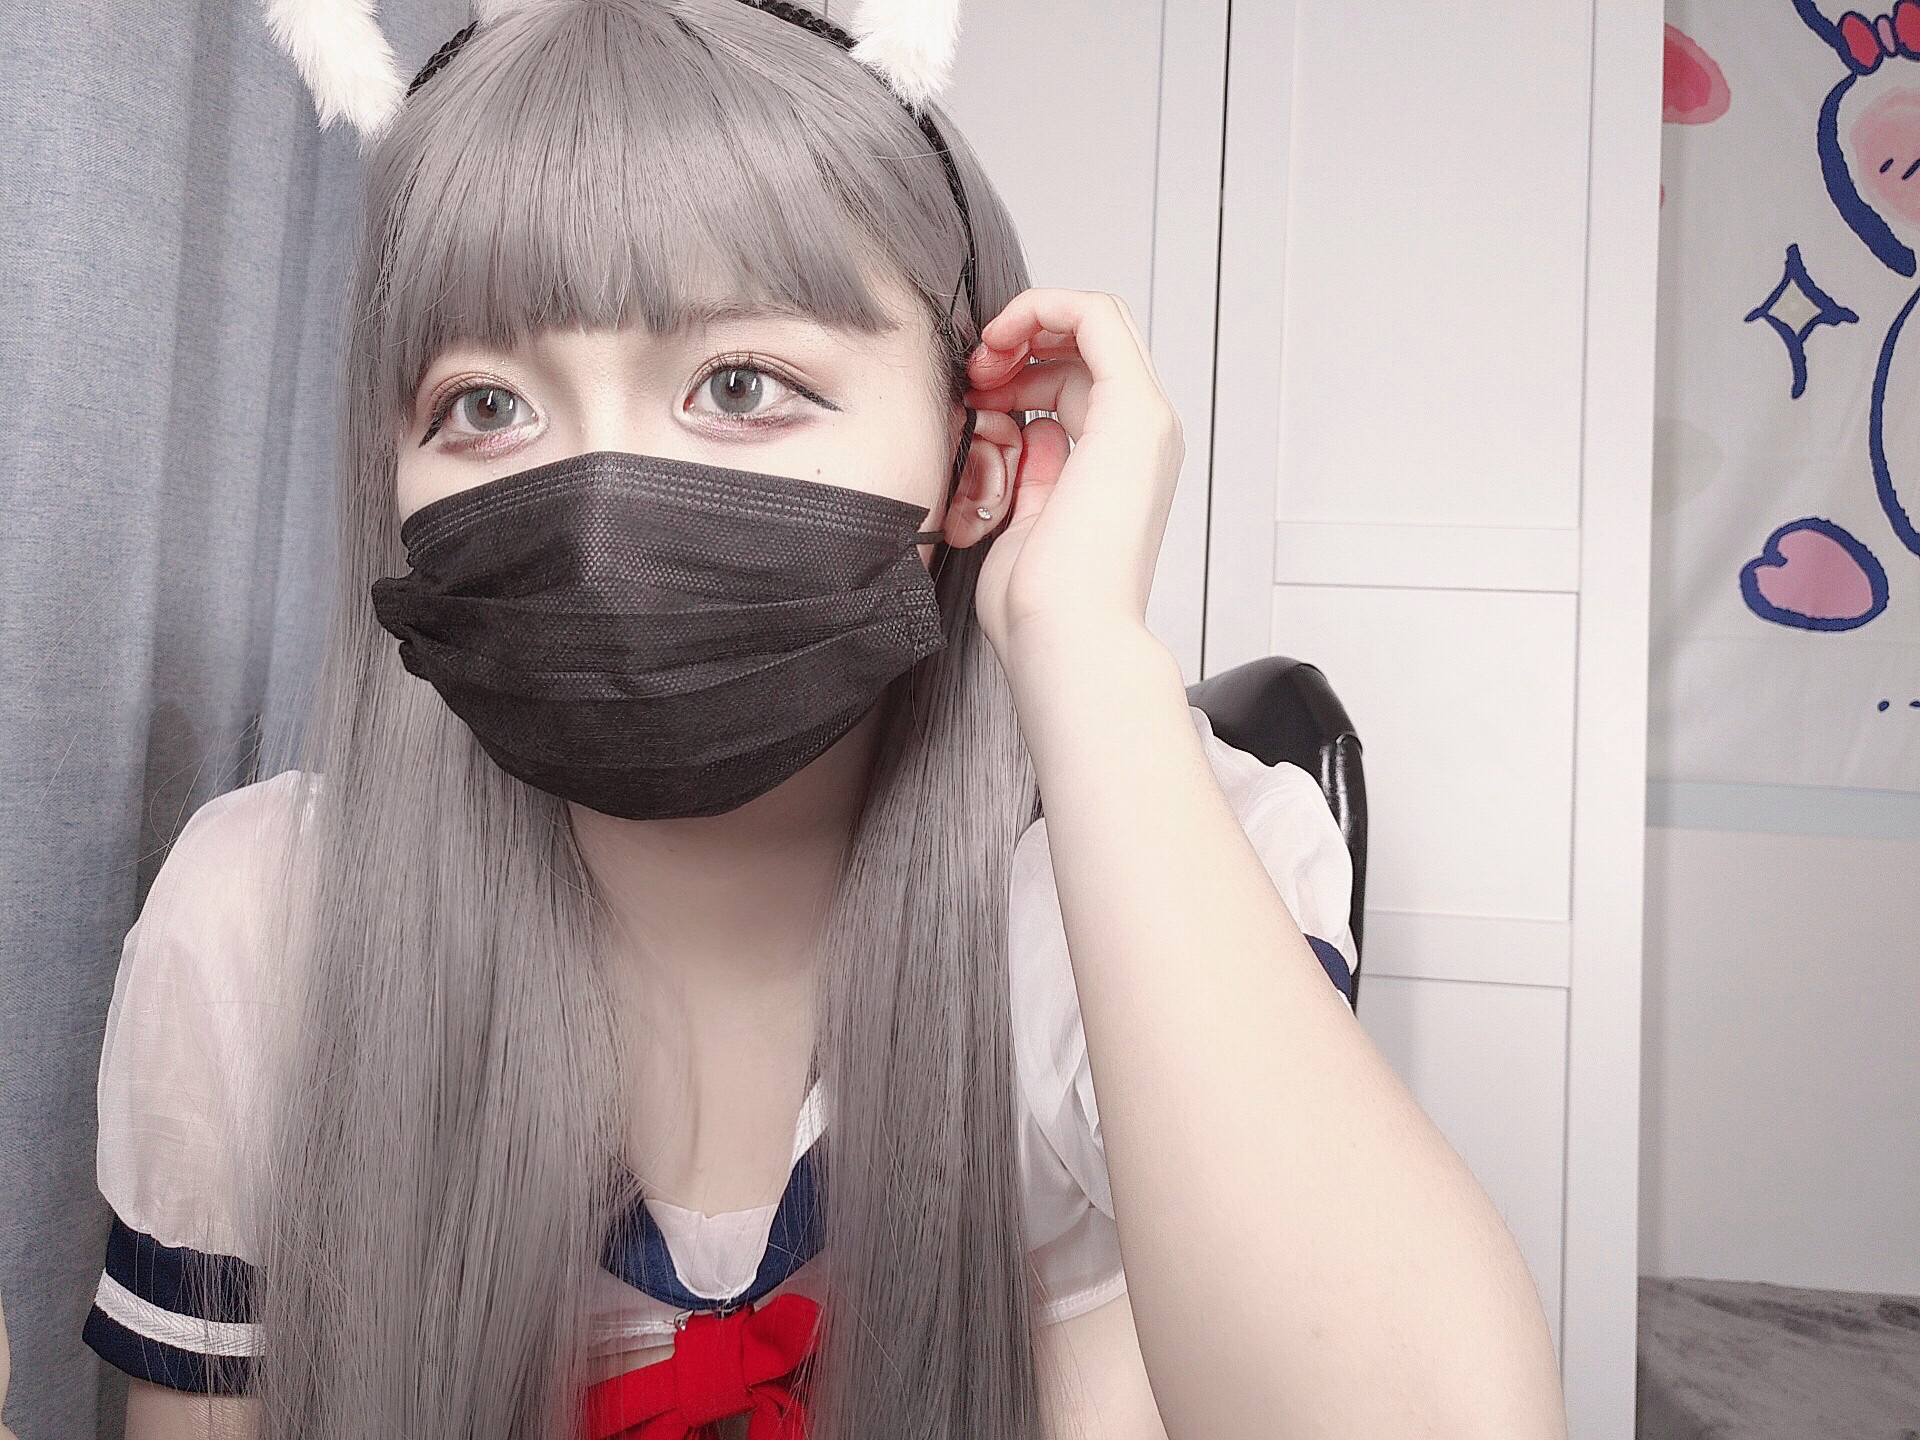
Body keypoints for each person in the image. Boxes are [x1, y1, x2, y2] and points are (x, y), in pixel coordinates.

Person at [81, 2, 1569, 1438]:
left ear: (977, 464)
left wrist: (1083, 646)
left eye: (740, 383)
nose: (596, 514)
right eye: (484, 407)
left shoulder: (1114, 895)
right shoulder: (266, 927)